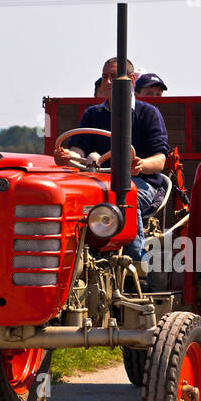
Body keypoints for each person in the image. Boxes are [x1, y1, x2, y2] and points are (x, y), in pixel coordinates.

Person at [56, 57, 170, 261]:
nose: (108, 82)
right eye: (104, 77)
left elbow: (160, 160)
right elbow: (79, 150)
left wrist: (141, 165)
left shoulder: (148, 113)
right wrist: (68, 156)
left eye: (114, 77)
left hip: (141, 182)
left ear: (131, 80)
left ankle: (136, 263)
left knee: (124, 197)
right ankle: (69, 260)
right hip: (99, 181)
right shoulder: (92, 114)